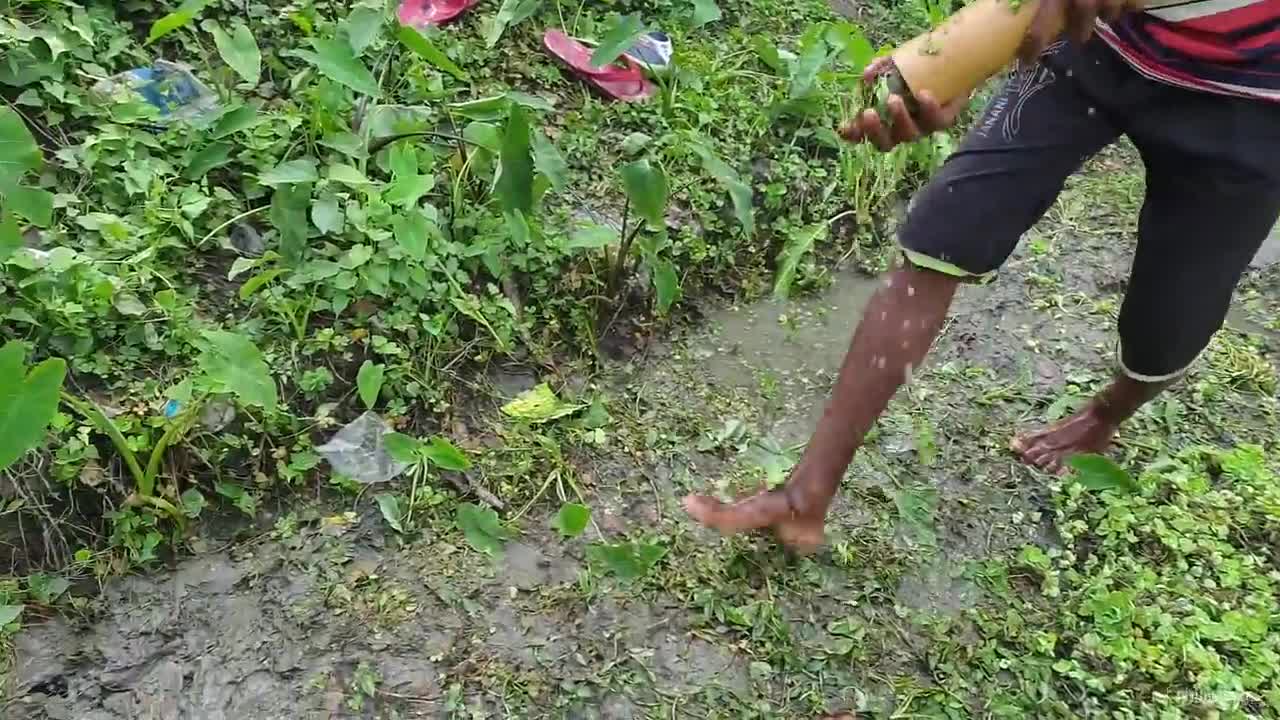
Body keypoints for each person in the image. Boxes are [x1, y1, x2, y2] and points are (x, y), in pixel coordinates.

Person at [684, 0, 1280, 552]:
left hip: (1253, 93)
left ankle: (1104, 416)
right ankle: (805, 494)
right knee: (943, 233)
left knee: (1170, 317)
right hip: (1097, 41)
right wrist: (952, 62)